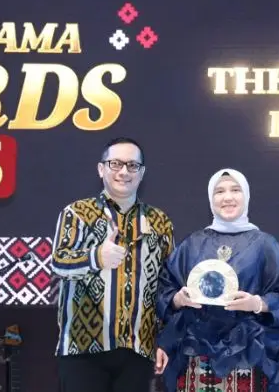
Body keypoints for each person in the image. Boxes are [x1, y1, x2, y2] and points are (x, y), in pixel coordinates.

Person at [156, 168, 279, 392]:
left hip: (248, 351)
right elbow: (165, 289)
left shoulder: (264, 245)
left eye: (235, 190)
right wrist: (178, 299)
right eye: (219, 191)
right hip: (195, 352)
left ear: (246, 196)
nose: (228, 197)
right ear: (210, 198)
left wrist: (257, 303)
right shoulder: (193, 244)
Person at [50, 137, 174, 392]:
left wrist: (165, 339)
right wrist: (96, 257)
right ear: (101, 169)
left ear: (142, 173)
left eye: (132, 165)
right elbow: (59, 262)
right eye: (115, 164)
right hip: (82, 350)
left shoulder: (159, 221)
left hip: (139, 349)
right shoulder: (77, 213)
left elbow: (166, 285)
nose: (124, 172)